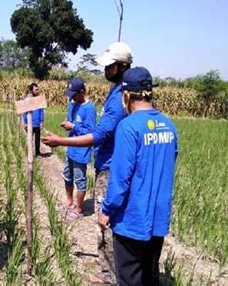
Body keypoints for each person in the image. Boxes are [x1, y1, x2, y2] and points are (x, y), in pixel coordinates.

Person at [42, 42, 132, 284]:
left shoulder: (122, 95)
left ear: (122, 66)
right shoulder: (115, 92)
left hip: (111, 166)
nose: (106, 70)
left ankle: (111, 278)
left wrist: (61, 140)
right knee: (104, 223)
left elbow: (101, 134)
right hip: (104, 163)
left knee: (107, 222)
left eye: (110, 66)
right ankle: (107, 273)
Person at [98, 67, 178, 285]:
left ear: (126, 95)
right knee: (150, 275)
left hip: (131, 221)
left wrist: (106, 211)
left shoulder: (127, 127)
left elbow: (120, 179)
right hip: (157, 219)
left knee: (130, 278)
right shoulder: (169, 126)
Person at [60, 77, 96, 221]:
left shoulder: (89, 109)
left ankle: (79, 209)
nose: (72, 98)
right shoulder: (73, 104)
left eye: (74, 94)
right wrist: (67, 123)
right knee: (67, 175)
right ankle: (70, 203)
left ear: (82, 92)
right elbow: (70, 119)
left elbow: (92, 133)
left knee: (80, 179)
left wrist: (73, 126)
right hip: (70, 147)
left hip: (81, 150)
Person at [22, 83, 45, 156]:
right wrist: (25, 122)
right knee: (29, 139)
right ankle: (30, 153)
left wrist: (41, 121)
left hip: (37, 123)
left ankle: (37, 152)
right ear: (31, 90)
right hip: (30, 123)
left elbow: (41, 111)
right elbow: (24, 112)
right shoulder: (27, 99)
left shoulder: (39, 99)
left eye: (38, 89)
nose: (37, 91)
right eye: (36, 89)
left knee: (37, 139)